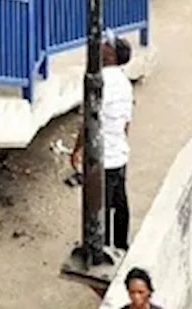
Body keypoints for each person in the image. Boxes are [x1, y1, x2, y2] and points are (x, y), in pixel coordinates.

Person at [71, 34, 134, 250]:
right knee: (120, 203)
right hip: (120, 154)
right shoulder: (126, 83)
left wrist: (78, 148)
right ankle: (121, 245)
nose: (102, 45)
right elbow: (127, 122)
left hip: (102, 158)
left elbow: (90, 119)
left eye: (107, 44)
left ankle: (101, 250)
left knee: (100, 207)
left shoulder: (99, 81)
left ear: (110, 55)